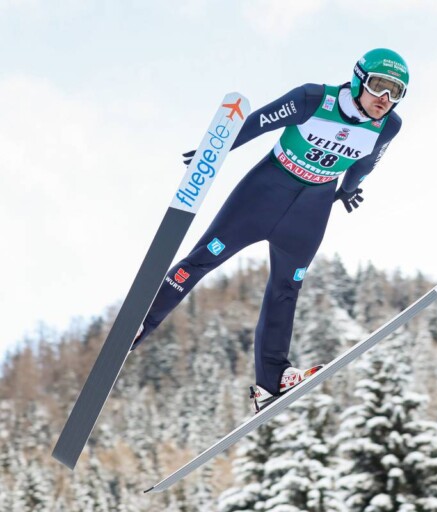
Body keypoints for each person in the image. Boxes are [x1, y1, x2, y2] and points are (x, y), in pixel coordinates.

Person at [131, 48, 409, 410]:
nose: (384, 100)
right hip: (265, 193)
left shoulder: (389, 125)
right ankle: (138, 325)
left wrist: (349, 189)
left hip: (311, 210)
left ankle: (271, 380)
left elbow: (366, 162)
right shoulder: (312, 99)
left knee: (286, 288)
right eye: (378, 87)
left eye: (396, 93)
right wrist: (213, 151)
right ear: (358, 79)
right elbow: (258, 123)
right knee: (202, 259)